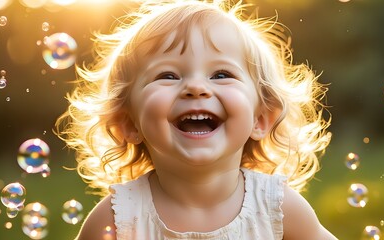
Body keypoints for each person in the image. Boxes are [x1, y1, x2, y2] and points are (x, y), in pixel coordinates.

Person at [56, 0, 336, 239]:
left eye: (221, 74)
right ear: (128, 123)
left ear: (261, 118)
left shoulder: (277, 207)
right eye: (168, 76)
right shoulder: (118, 219)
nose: (196, 87)